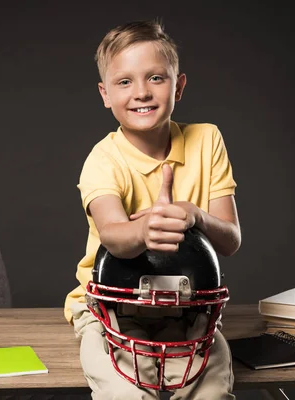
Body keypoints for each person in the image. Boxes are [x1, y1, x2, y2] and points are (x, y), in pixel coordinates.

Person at [64, 19, 241, 400]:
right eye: (124, 82)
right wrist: (144, 233)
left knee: (211, 392)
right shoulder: (103, 159)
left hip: (188, 307)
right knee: (129, 394)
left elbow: (230, 239)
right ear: (105, 94)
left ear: (178, 85)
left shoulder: (207, 140)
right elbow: (113, 233)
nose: (141, 92)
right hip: (114, 307)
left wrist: (194, 214)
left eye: (156, 78)